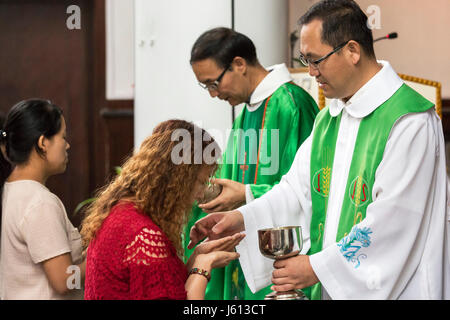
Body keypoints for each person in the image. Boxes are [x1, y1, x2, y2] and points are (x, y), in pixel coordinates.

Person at [188, 0, 450, 300]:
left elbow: (395, 224)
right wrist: (240, 218)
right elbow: (295, 192)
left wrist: (317, 267)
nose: (310, 72)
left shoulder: (409, 121)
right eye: (305, 60)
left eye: (315, 60)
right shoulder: (330, 118)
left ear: (352, 51)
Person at [185, 27, 319, 300]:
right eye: (206, 86)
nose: (213, 94)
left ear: (239, 64)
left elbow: (307, 189)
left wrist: (247, 194)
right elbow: (229, 179)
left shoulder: (291, 105)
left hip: (283, 260)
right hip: (244, 246)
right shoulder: (244, 115)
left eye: (214, 83)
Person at [81, 119, 244, 300]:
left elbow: (165, 286)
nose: (199, 195)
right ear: (179, 179)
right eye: (200, 183)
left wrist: (197, 256)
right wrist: (203, 266)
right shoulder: (145, 236)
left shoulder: (119, 211)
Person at [0, 99, 85, 300]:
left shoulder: (9, 191)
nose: (67, 144)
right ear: (43, 143)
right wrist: (105, 257)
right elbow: (64, 282)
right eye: (63, 137)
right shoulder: (39, 202)